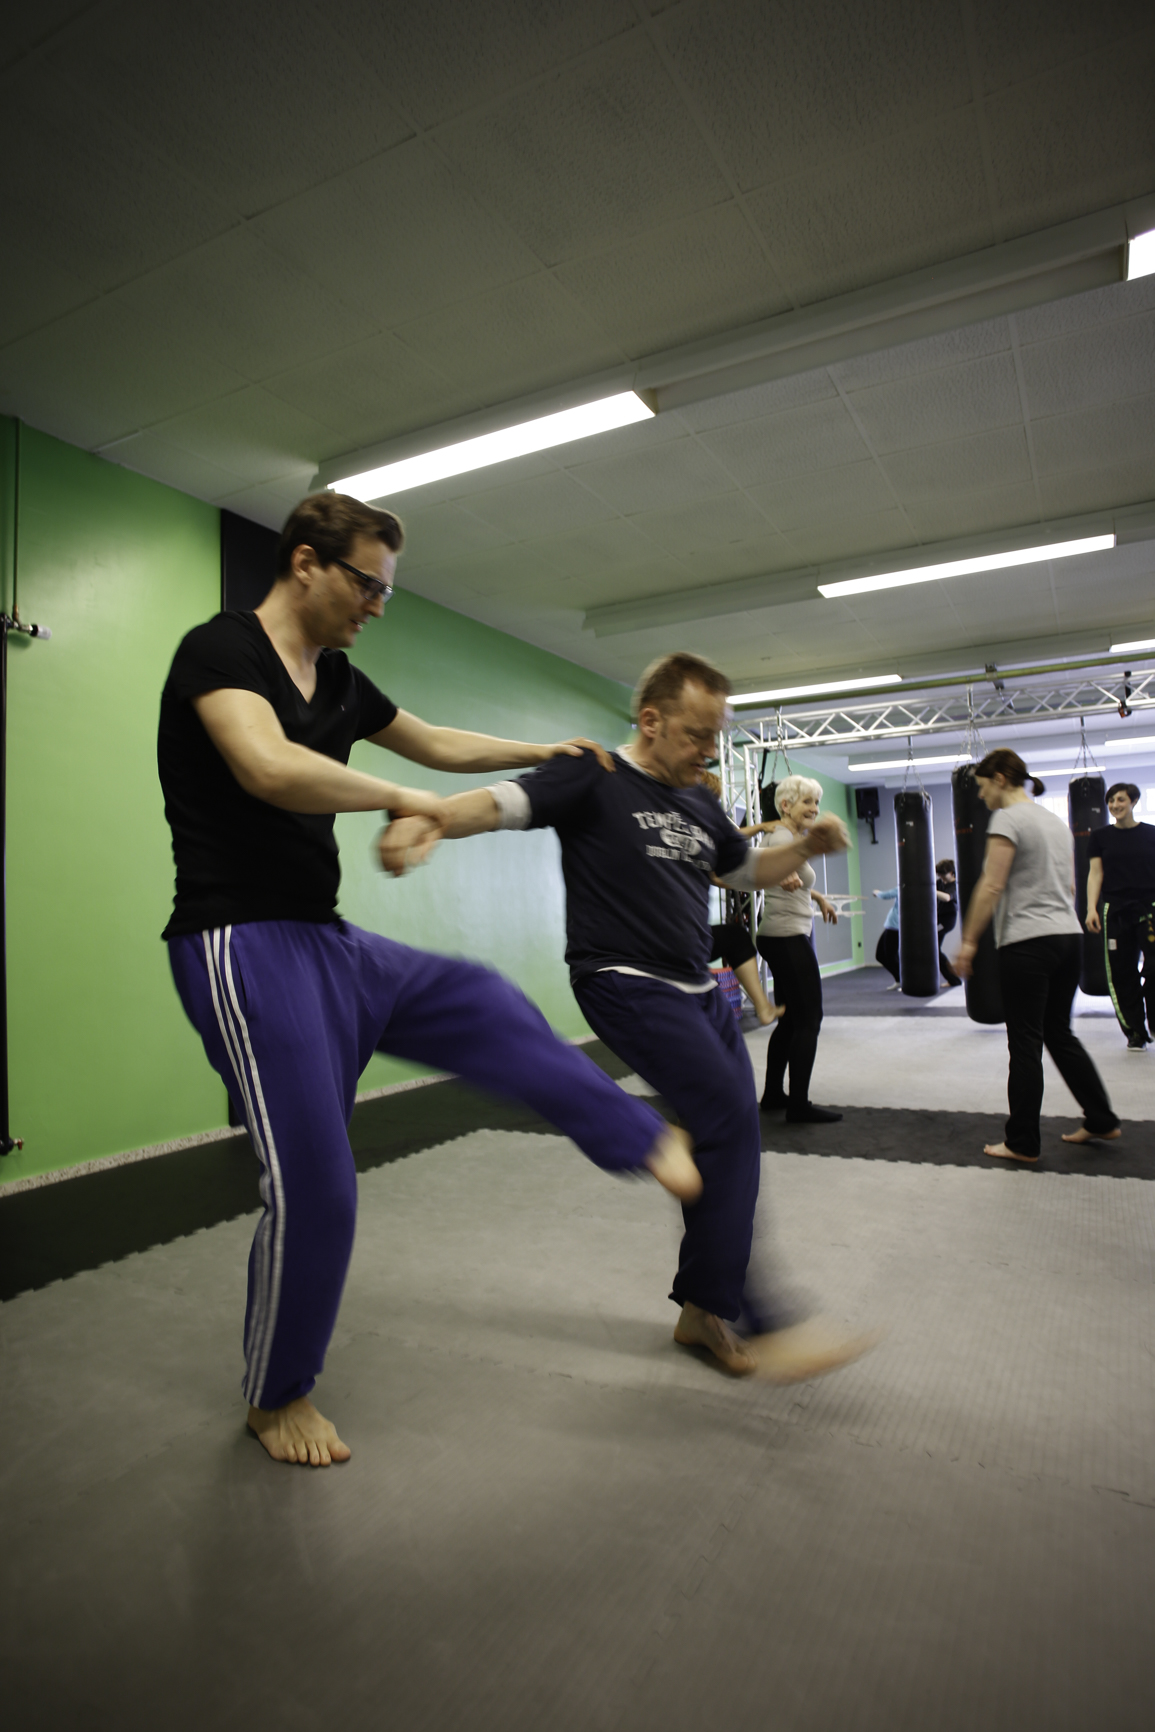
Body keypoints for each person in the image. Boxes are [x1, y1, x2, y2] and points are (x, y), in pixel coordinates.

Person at [158, 492, 701, 1468]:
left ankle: (633, 1134)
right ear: (305, 563)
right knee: (318, 1187)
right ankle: (276, 1398)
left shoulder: (339, 680)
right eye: (366, 585)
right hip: (238, 943)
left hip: (326, 943)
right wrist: (406, 800)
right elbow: (267, 767)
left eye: (386, 591)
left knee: (482, 997)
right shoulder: (221, 650)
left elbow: (438, 740)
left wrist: (546, 751)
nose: (377, 605)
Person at [380, 652, 873, 1381]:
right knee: (725, 1116)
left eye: (715, 738)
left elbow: (743, 871)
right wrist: (433, 818)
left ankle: (701, 1310)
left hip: (696, 991)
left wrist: (804, 846)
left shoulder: (699, 800)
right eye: (696, 734)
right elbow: (504, 803)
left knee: (733, 1134)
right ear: (650, 720)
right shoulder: (596, 774)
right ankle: (766, 1321)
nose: (707, 751)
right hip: (623, 981)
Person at [956, 748, 1120, 1163]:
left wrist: (969, 941)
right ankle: (1101, 1117)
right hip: (1067, 938)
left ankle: (1023, 1142)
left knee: (1025, 1042)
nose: (981, 796)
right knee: (1058, 1033)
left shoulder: (1007, 818)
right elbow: (1070, 887)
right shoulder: (1054, 821)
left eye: (982, 787)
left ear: (1000, 779)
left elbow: (991, 885)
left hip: (1028, 943)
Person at [756, 776, 843, 1122]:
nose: (815, 809)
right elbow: (764, 861)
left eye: (816, 803)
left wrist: (818, 897)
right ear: (785, 805)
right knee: (809, 1019)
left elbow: (796, 877)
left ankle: (774, 1094)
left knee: (792, 1020)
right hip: (786, 937)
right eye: (807, 801)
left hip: (782, 935)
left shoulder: (790, 837)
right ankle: (798, 1106)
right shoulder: (780, 836)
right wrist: (779, 874)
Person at [699, 768, 781, 1025]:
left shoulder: (702, 832)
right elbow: (727, 842)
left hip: (690, 932)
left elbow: (726, 845)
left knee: (735, 937)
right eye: (711, 799)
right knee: (735, 937)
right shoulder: (692, 828)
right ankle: (761, 1005)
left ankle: (762, 1006)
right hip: (673, 937)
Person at [1086, 782, 1155, 1051]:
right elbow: (1095, 874)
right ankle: (1135, 1031)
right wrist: (1091, 908)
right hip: (1115, 910)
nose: (1115, 805)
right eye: (1111, 801)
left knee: (1153, 968)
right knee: (1122, 973)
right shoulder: (1100, 837)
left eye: (1121, 800)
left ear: (1133, 802)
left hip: (1149, 908)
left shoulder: (1151, 834)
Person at [936, 858, 962, 988]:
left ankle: (954, 980)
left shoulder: (954, 885)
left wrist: (931, 890)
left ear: (952, 873)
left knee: (934, 948)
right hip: (938, 919)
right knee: (934, 949)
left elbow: (947, 898)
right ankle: (953, 980)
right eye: (939, 874)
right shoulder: (940, 883)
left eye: (943, 874)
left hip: (946, 921)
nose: (941, 876)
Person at [872, 887, 901, 988]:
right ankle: (899, 979)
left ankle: (903, 980)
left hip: (895, 927)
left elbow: (885, 895)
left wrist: (876, 892)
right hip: (891, 926)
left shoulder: (904, 887)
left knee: (890, 956)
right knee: (881, 956)